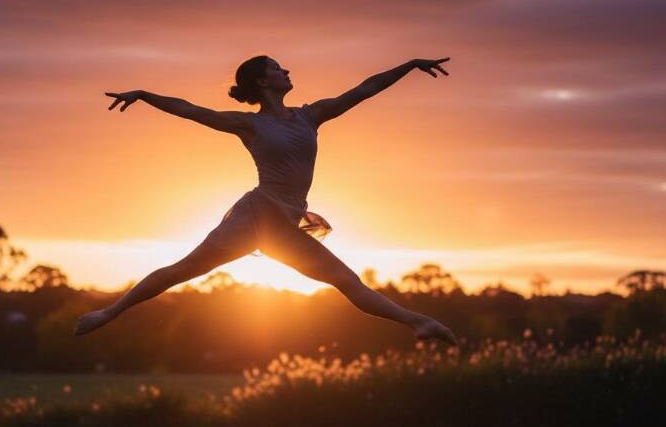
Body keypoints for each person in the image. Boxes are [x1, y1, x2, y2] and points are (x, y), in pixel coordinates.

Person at [75, 55, 456, 345]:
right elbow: (190, 110)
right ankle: (108, 312)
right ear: (262, 81)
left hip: (285, 226)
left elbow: (363, 89)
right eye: (278, 68)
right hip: (256, 215)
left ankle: (418, 322)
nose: (287, 71)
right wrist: (142, 95)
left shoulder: (312, 115)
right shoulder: (250, 124)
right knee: (185, 269)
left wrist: (408, 66)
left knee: (346, 280)